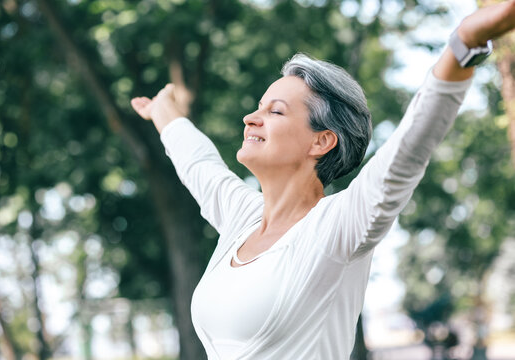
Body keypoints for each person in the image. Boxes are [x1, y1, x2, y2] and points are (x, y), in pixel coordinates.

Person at [131, 2, 515, 359]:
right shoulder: (240, 220)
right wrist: (166, 114)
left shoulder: (337, 227)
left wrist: (463, 44)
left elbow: (408, 151)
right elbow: (199, 164)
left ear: (322, 140)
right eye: (258, 107)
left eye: (275, 112)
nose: (251, 117)